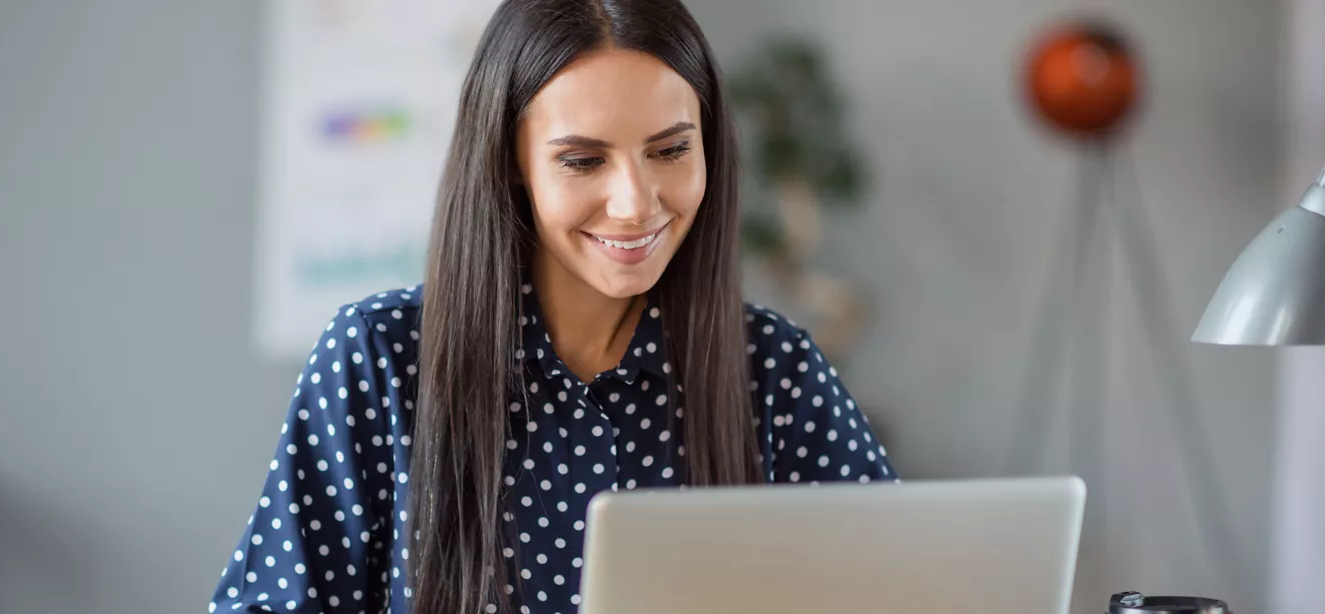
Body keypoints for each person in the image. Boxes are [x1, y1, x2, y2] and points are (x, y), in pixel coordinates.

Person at [208, 0, 895, 612]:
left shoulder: (774, 375)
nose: (635, 203)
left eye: (670, 150)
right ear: (510, 158)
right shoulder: (381, 359)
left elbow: (908, 584)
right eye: (583, 160)